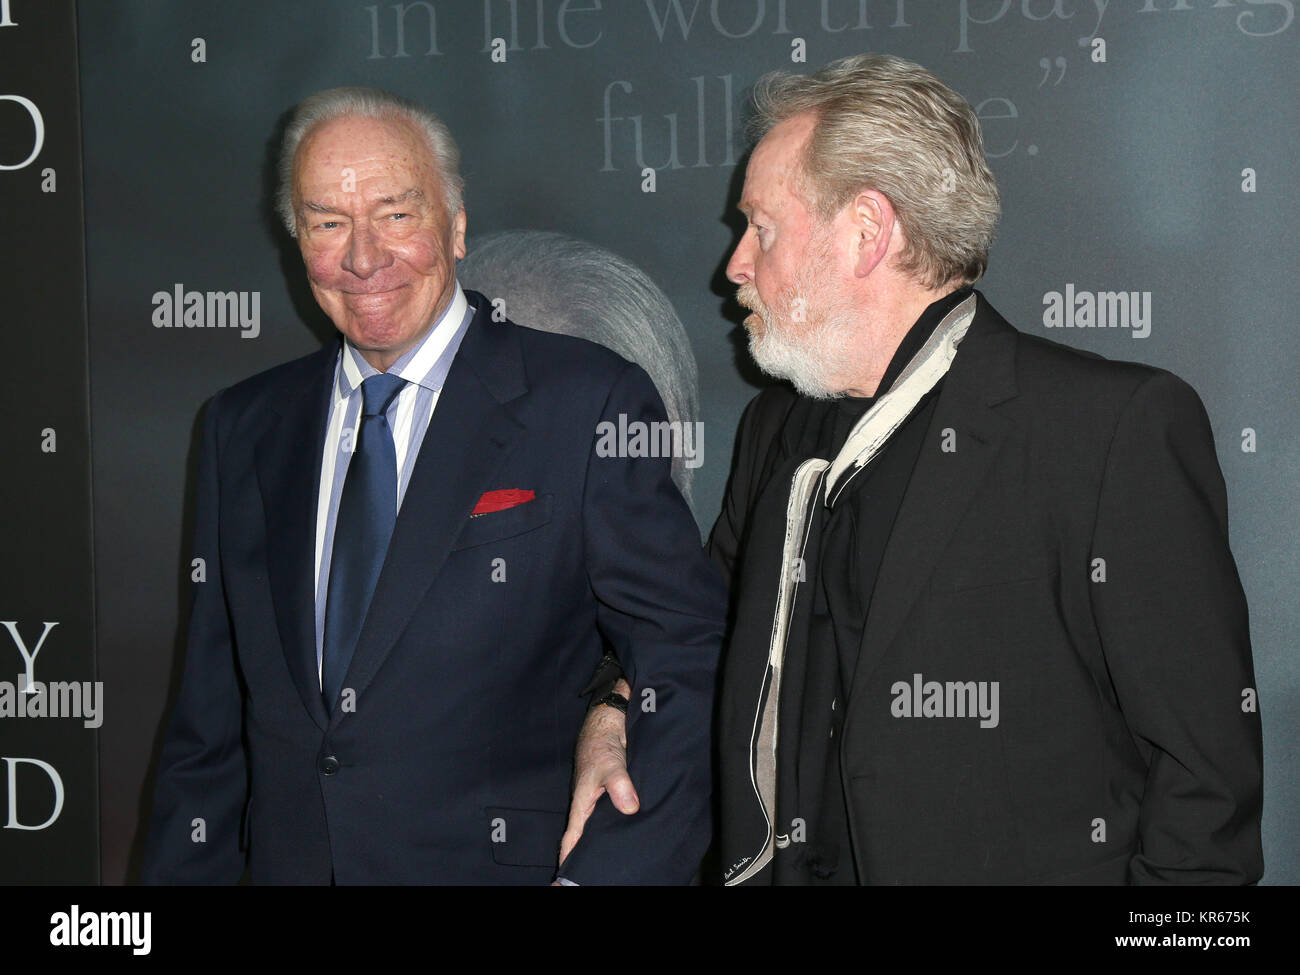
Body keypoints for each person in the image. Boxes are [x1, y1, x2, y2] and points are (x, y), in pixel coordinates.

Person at [577, 54, 1264, 884]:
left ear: (867, 231)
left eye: (761, 227)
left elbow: (1207, 796)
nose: (735, 266)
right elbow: (698, 628)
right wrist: (614, 712)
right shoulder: (777, 429)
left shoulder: (1107, 430)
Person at [140, 87, 724, 884]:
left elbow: (684, 657)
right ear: (296, 241)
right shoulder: (242, 429)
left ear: (454, 225)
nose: (363, 257)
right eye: (327, 223)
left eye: (396, 214)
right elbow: (207, 733)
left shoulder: (587, 401)